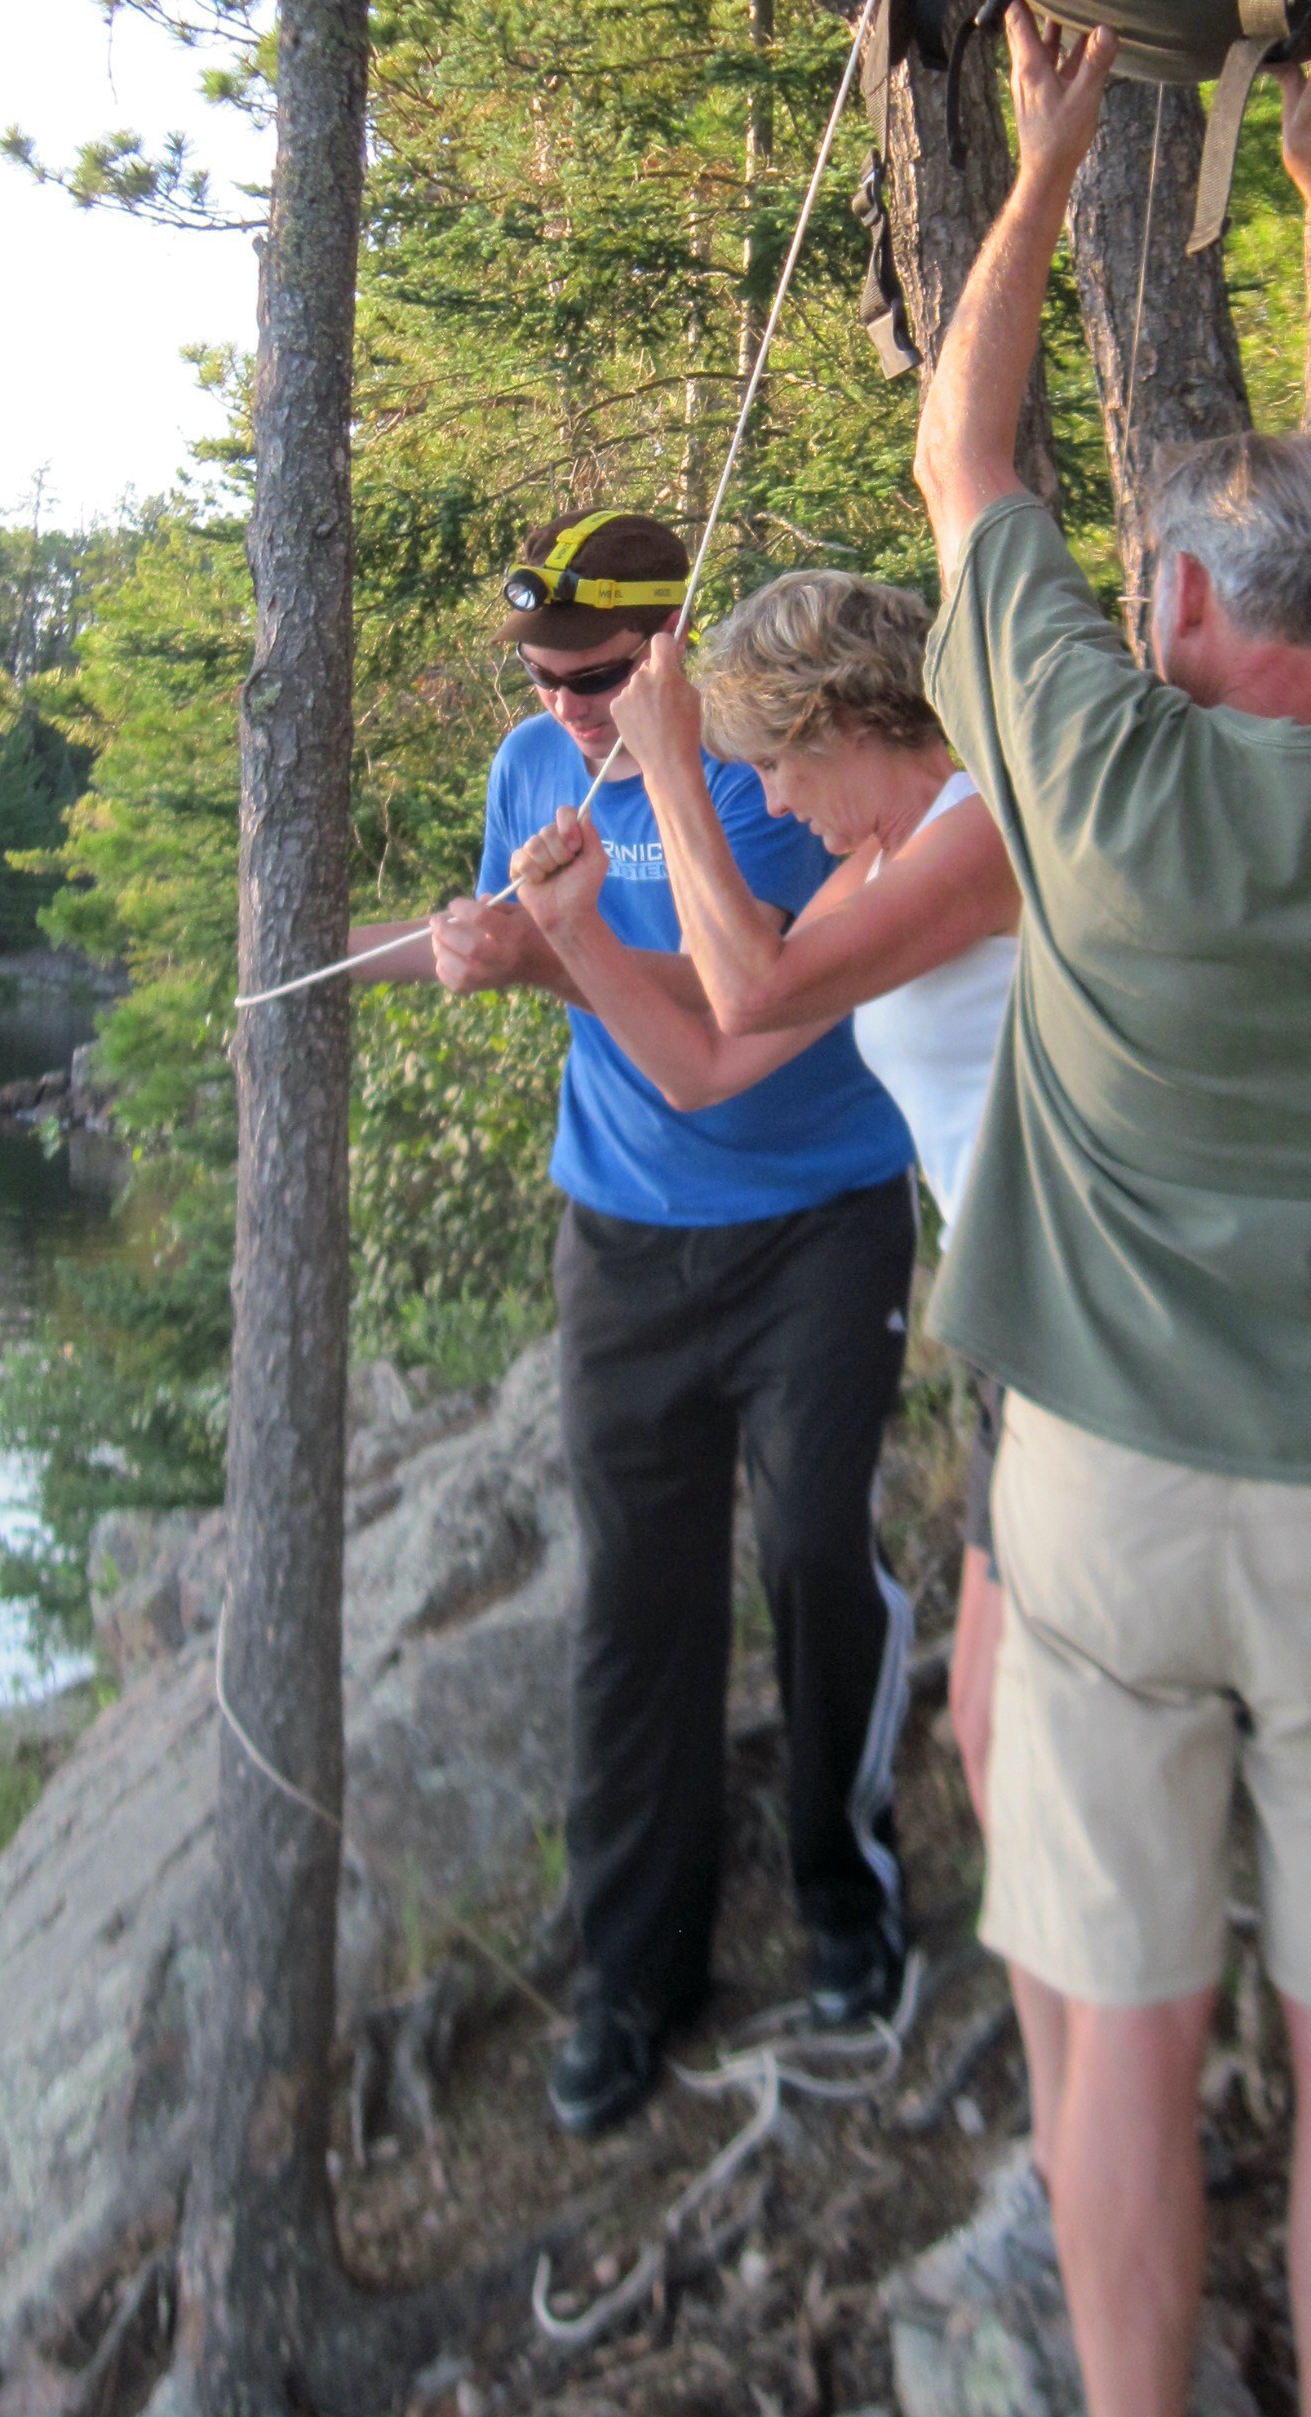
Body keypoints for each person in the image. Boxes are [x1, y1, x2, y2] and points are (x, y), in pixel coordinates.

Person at [909, 0, 1311, 2417]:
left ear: (1177, 612)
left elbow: (968, 454)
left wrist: (1045, 161)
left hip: (1111, 1505)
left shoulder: (1097, 777)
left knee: (1129, 2034)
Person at [348, 509, 922, 2137]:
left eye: (598, 676)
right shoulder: (534, 764)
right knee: (635, 1605)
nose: (567, 708)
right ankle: (635, 1973)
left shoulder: (776, 770)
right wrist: (448, 946)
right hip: (620, 1232)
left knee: (813, 1552)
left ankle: (847, 1895)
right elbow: (512, 935)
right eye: (541, 677)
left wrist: (555, 951)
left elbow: (745, 1001)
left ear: (668, 642)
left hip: (817, 1219)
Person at [505, 574, 1073, 2205]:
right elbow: (709, 1052)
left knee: (946, 1648)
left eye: (772, 762)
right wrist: (570, 937)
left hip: (1074, 1315)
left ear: (838, 720)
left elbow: (748, 986)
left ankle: (1061, 2050)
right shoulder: (878, 864)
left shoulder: (982, 827)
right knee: (992, 1715)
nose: (767, 795)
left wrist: (680, 769)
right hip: (1017, 1326)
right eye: (739, 768)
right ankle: (1058, 2073)